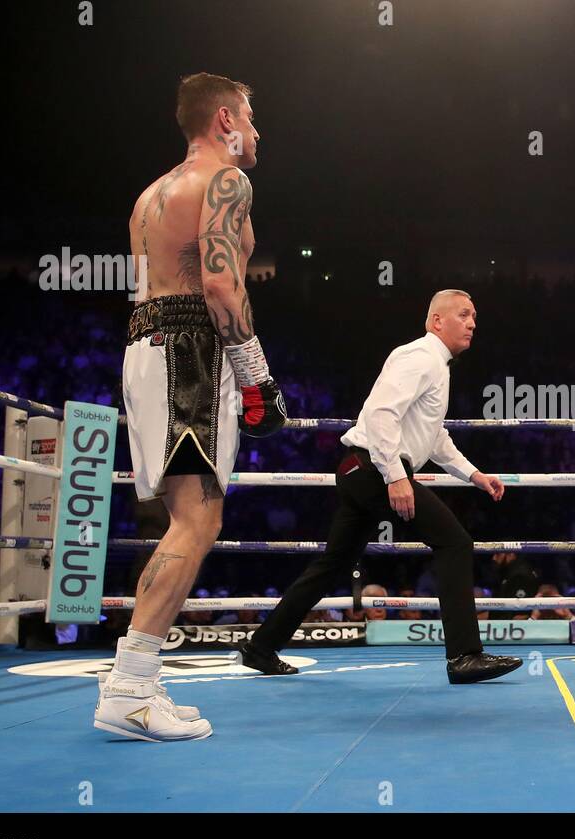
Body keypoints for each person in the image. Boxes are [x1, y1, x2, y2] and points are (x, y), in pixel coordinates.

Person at [95, 73, 288, 742]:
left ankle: (139, 683)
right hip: (190, 354)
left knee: (189, 517)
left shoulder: (152, 194)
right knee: (197, 521)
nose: (258, 134)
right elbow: (216, 280)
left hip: (147, 345)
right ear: (228, 119)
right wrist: (257, 376)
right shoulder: (226, 181)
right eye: (253, 121)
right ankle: (128, 688)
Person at [238, 290, 522, 684]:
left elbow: (433, 436)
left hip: (362, 469)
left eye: (475, 315)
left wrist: (473, 475)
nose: (473, 322)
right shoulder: (421, 358)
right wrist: (395, 475)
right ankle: (464, 655)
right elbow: (380, 415)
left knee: (332, 564)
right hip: (373, 467)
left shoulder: (436, 365)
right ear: (437, 321)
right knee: (454, 542)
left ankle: (261, 647)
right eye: (464, 314)